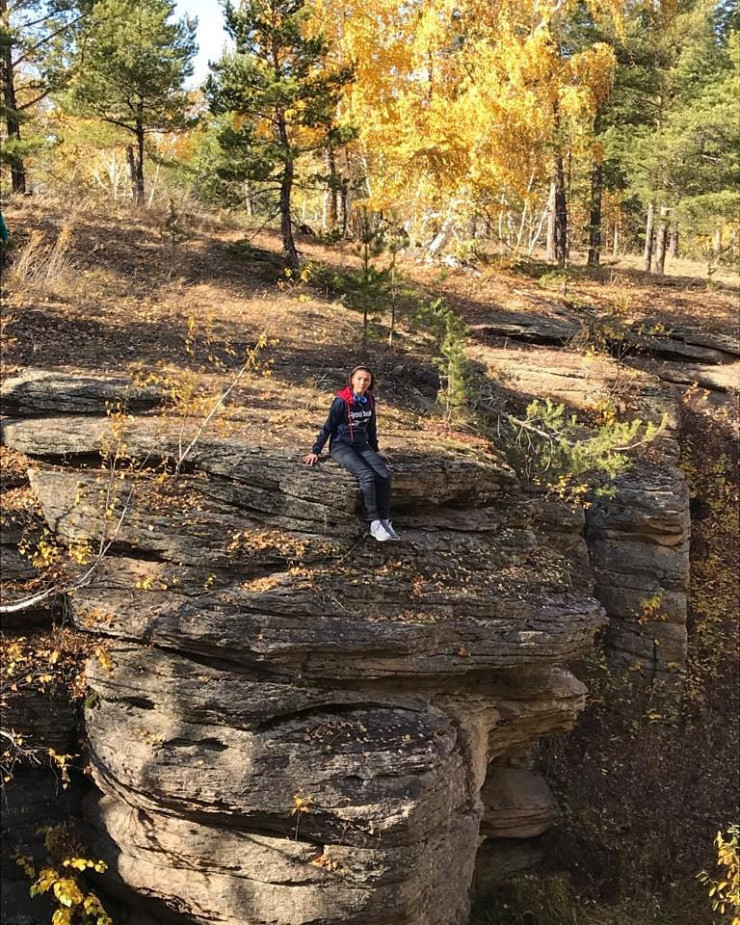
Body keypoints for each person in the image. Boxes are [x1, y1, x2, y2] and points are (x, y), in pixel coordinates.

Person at [303, 366, 399, 542]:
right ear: (352, 380)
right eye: (359, 379)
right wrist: (315, 450)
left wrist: (376, 449)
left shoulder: (369, 399)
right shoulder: (341, 401)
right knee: (366, 475)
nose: (363, 382)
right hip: (341, 446)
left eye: (367, 380)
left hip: (361, 445)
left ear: (370, 382)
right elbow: (328, 427)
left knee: (384, 475)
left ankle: (385, 521)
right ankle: (373, 523)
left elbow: (371, 427)